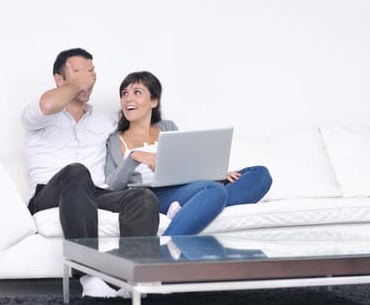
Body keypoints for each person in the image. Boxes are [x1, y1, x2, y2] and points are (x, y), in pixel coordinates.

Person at [21, 49, 160, 298]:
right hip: (50, 193)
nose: (89, 77)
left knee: (142, 197)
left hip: (94, 192)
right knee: (76, 172)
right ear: (59, 79)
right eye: (79, 71)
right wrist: (77, 86)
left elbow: (141, 126)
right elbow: (48, 104)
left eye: (92, 71)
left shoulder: (105, 121)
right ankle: (90, 276)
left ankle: (132, 278)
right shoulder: (40, 115)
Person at [105, 71, 272, 235]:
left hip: (184, 188)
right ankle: (169, 245)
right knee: (214, 191)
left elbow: (185, 165)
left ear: (154, 101)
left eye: (137, 92)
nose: (128, 98)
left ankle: (190, 210)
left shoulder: (167, 127)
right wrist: (133, 158)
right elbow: (110, 186)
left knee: (259, 175)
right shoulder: (115, 140)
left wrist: (216, 175)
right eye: (124, 93)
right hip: (151, 196)